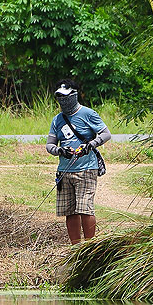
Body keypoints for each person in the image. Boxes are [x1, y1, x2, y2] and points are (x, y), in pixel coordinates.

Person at [46, 79, 111, 244]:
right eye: (59, 96)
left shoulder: (88, 114)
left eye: (66, 96)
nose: (63, 100)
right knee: (70, 211)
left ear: (74, 95)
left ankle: (89, 247)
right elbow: (50, 145)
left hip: (86, 169)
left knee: (85, 208)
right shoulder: (57, 120)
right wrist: (60, 150)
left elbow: (105, 134)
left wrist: (89, 146)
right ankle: (75, 248)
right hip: (64, 171)